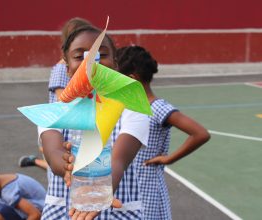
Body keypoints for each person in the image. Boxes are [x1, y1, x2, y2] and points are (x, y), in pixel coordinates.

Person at [40, 25, 150, 220]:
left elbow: (119, 159)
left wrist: (102, 189)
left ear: (116, 64)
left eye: (101, 54)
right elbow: (53, 151)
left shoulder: (132, 106)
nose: (90, 61)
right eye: (78, 56)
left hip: (118, 211)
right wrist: (66, 167)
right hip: (63, 212)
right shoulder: (55, 110)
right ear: (66, 68)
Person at [116, 45, 211, 219]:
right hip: (132, 189)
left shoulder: (157, 107)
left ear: (132, 79)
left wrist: (169, 158)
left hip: (149, 190)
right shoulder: (131, 108)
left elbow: (200, 133)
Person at [19, 17, 92, 171]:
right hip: (64, 127)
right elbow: (63, 100)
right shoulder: (61, 68)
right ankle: (38, 162)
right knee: (62, 162)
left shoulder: (84, 67)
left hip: (76, 125)